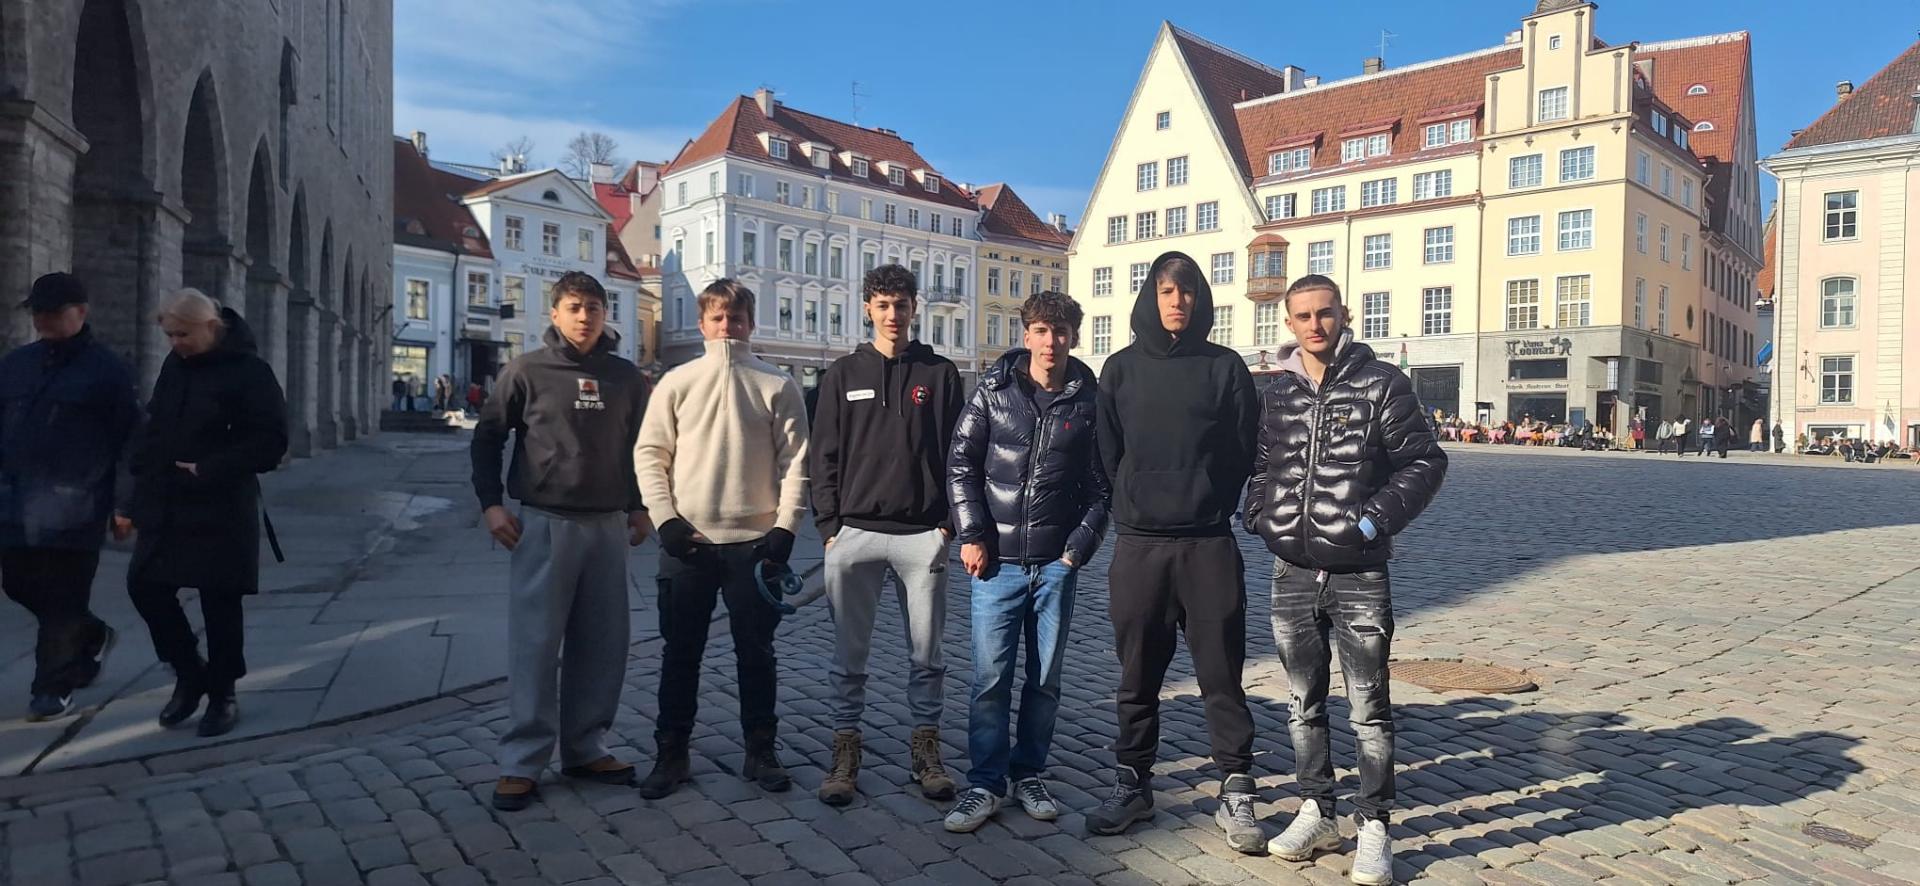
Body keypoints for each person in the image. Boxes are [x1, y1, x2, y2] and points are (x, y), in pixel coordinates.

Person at [1247, 275, 1448, 884]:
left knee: (1368, 706)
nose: (1315, 325)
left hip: (1359, 571)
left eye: (1325, 313)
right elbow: (1263, 463)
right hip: (1291, 569)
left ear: (1344, 315)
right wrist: (1259, 515)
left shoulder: (1381, 383)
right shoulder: (1279, 393)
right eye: (1304, 316)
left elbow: (1424, 460)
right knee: (1302, 702)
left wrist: (1372, 520)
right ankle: (1316, 808)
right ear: (1289, 323)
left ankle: (1374, 824)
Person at [1086, 251, 1264, 854]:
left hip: (1207, 544)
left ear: (1200, 299)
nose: (1177, 301)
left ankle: (1235, 786)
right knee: (1137, 676)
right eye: (1166, 291)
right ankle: (1133, 783)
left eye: (1186, 291)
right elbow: (1107, 454)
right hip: (1140, 546)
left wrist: (1209, 496)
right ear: (1151, 298)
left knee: (1221, 674)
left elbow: (1242, 448)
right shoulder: (1119, 370)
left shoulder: (1225, 367)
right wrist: (1135, 500)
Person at [470, 271, 653, 811]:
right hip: (545, 522)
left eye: (593, 307)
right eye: (574, 307)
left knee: (603, 644)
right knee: (535, 644)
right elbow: (487, 436)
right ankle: (522, 761)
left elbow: (642, 448)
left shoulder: (625, 377)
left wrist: (642, 505)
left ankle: (586, 747)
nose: (584, 317)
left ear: (604, 314)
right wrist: (491, 504)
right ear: (554, 313)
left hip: (607, 525)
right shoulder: (526, 371)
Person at [632, 279, 809, 799]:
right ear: (702, 323)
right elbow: (650, 454)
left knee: (757, 654)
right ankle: (672, 753)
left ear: (750, 323)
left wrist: (786, 527)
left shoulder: (777, 384)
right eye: (717, 317)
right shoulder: (677, 382)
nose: (727, 326)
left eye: (735, 317)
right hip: (688, 541)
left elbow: (796, 462)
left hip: (754, 543)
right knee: (680, 654)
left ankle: (760, 749)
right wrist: (664, 519)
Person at [943, 291, 1110, 833]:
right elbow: (961, 464)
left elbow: (1101, 487)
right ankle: (985, 783)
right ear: (1026, 334)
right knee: (990, 679)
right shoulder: (994, 392)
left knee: (1045, 681)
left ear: (1073, 337)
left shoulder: (1089, 401)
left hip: (1055, 566)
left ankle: (1029, 773)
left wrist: (1076, 550)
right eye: (1041, 330)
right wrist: (972, 534)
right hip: (996, 565)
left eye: (1060, 331)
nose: (1050, 341)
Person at [811, 263, 964, 806]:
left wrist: (948, 524)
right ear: (867, 309)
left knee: (927, 654)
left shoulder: (940, 374)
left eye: (901, 305)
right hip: (854, 534)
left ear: (914, 308)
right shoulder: (841, 374)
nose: (892, 314)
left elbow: (957, 455)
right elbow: (823, 454)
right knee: (849, 657)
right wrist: (829, 527)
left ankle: (926, 750)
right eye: (882, 305)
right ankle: (845, 751)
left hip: (922, 535)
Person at [123, 289, 288, 738]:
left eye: (183, 334)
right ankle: (189, 671)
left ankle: (222, 692)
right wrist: (132, 497)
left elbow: (271, 441)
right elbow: (155, 428)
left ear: (211, 327)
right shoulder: (175, 366)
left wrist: (211, 467)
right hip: (168, 499)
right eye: (170, 335)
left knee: (220, 600)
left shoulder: (250, 372)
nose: (175, 343)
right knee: (144, 585)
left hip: (221, 503)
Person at [0, 273, 141, 721]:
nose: (42, 320)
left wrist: (125, 505)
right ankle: (91, 633)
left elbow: (130, 442)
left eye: (52, 312)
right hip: (17, 500)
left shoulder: (109, 371)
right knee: (18, 583)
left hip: (78, 502)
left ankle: (51, 688)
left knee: (63, 596)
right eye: (37, 312)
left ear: (81, 312)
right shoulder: (17, 365)